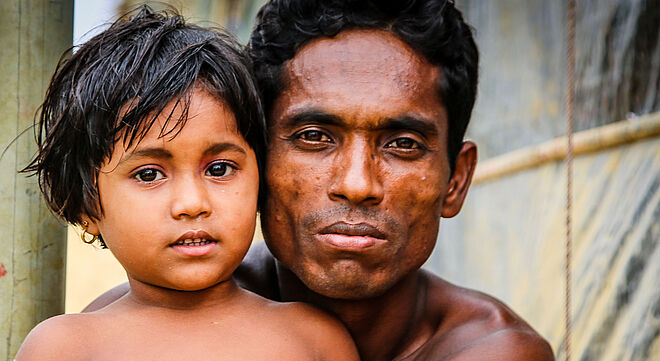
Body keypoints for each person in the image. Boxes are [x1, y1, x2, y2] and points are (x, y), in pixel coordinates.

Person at [85, 1, 556, 360]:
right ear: (256, 159)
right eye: (314, 137)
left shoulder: (491, 351)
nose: (356, 184)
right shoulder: (127, 328)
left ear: (455, 180)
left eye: (403, 144)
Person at [15, 7, 359, 361]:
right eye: (149, 174)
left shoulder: (312, 340)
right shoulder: (66, 347)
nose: (193, 203)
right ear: (86, 207)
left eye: (220, 169)